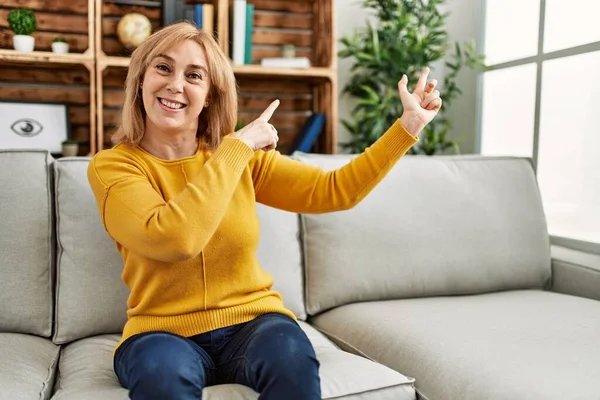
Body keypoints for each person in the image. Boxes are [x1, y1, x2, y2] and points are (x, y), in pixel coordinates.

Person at [87, 22, 442, 400]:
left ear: (208, 95)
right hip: (160, 333)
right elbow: (176, 239)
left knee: (292, 361)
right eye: (163, 68)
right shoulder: (114, 167)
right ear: (140, 79)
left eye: (194, 75)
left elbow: (335, 190)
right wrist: (236, 148)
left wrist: (407, 127)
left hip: (253, 323)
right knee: (161, 379)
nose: (176, 84)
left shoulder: (236, 157)